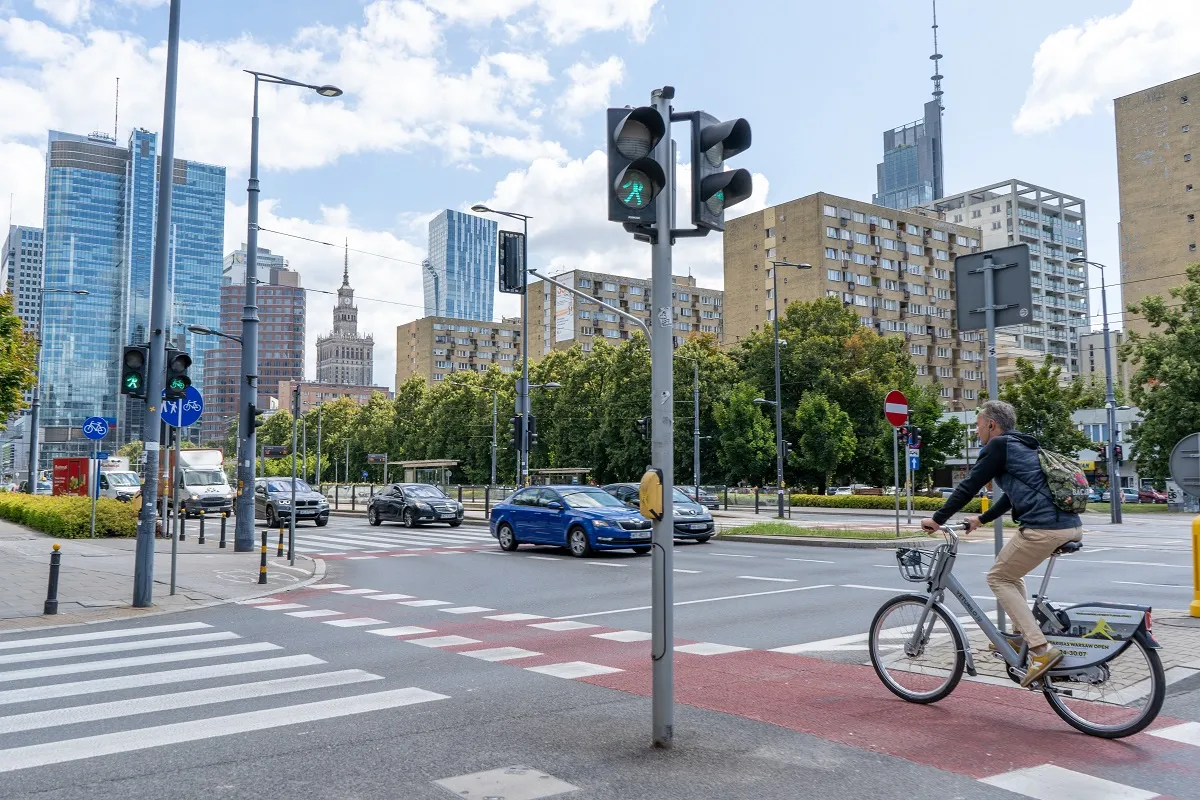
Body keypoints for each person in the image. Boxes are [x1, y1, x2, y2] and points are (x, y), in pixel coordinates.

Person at [921, 399, 1082, 687]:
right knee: (1011, 574)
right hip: (1069, 526)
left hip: (1043, 528)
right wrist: (981, 520)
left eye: (979, 425)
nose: (976, 430)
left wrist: (937, 518)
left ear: (992, 425)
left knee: (998, 578)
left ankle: (1040, 650)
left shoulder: (997, 446)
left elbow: (969, 484)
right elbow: (1011, 495)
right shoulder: (1023, 446)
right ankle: (1021, 634)